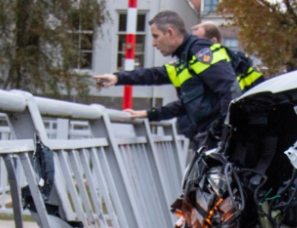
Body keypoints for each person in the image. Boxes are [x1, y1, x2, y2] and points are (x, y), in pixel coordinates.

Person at [93, 10, 238, 145]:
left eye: (156, 36)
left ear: (170, 33)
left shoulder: (198, 52)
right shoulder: (185, 59)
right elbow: (155, 76)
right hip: (209, 138)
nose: (153, 43)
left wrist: (225, 134)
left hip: (220, 140)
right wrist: (118, 78)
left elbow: (230, 89)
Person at [192, 21, 265, 92]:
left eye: (199, 42)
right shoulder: (191, 69)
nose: (194, 47)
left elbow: (261, 91)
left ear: (213, 41)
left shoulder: (241, 63)